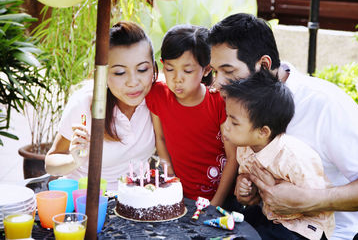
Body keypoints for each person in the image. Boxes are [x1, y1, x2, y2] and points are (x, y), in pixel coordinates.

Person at [208, 13, 358, 239]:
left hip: (331, 233)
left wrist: (308, 201)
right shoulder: (237, 106)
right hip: (266, 226)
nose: (216, 85)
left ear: (264, 64)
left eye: (228, 72)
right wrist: (252, 190)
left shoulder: (325, 104)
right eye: (214, 71)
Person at [221, 70, 334, 240]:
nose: (225, 125)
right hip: (269, 215)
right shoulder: (244, 148)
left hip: (302, 228)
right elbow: (247, 176)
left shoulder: (294, 158)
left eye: (234, 122)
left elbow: (318, 203)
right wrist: (245, 184)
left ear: (263, 132)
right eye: (227, 117)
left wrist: (285, 197)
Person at [45, 21, 158, 191]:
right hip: (86, 201)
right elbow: (50, 163)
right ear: (103, 74)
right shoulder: (85, 102)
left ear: (154, 68)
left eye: (142, 69)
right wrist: (74, 160)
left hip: (133, 202)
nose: (133, 82)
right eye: (120, 72)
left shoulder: (157, 99)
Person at [145, 24, 238, 206]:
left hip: (219, 198)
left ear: (206, 69)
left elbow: (233, 158)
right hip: (178, 196)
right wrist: (170, 174)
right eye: (170, 69)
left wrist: (215, 204)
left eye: (187, 71)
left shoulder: (218, 101)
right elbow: (160, 138)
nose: (177, 78)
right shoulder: (158, 95)